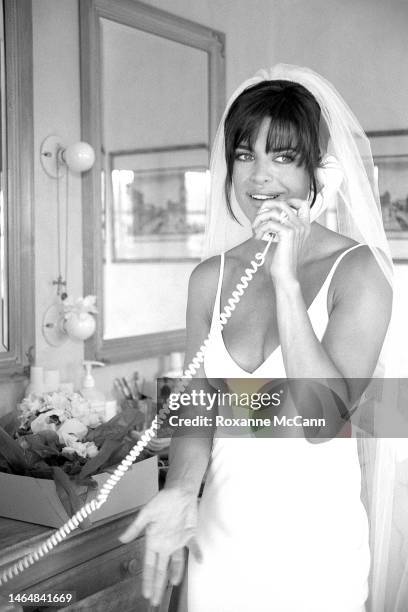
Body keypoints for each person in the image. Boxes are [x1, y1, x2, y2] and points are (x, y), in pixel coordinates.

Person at [120, 65, 395, 611]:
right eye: (245, 155)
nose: (259, 177)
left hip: (316, 547)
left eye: (283, 156)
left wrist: (286, 282)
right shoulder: (209, 278)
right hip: (220, 535)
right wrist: (180, 491)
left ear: (322, 171)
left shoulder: (362, 271)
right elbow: (198, 409)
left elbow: (320, 420)